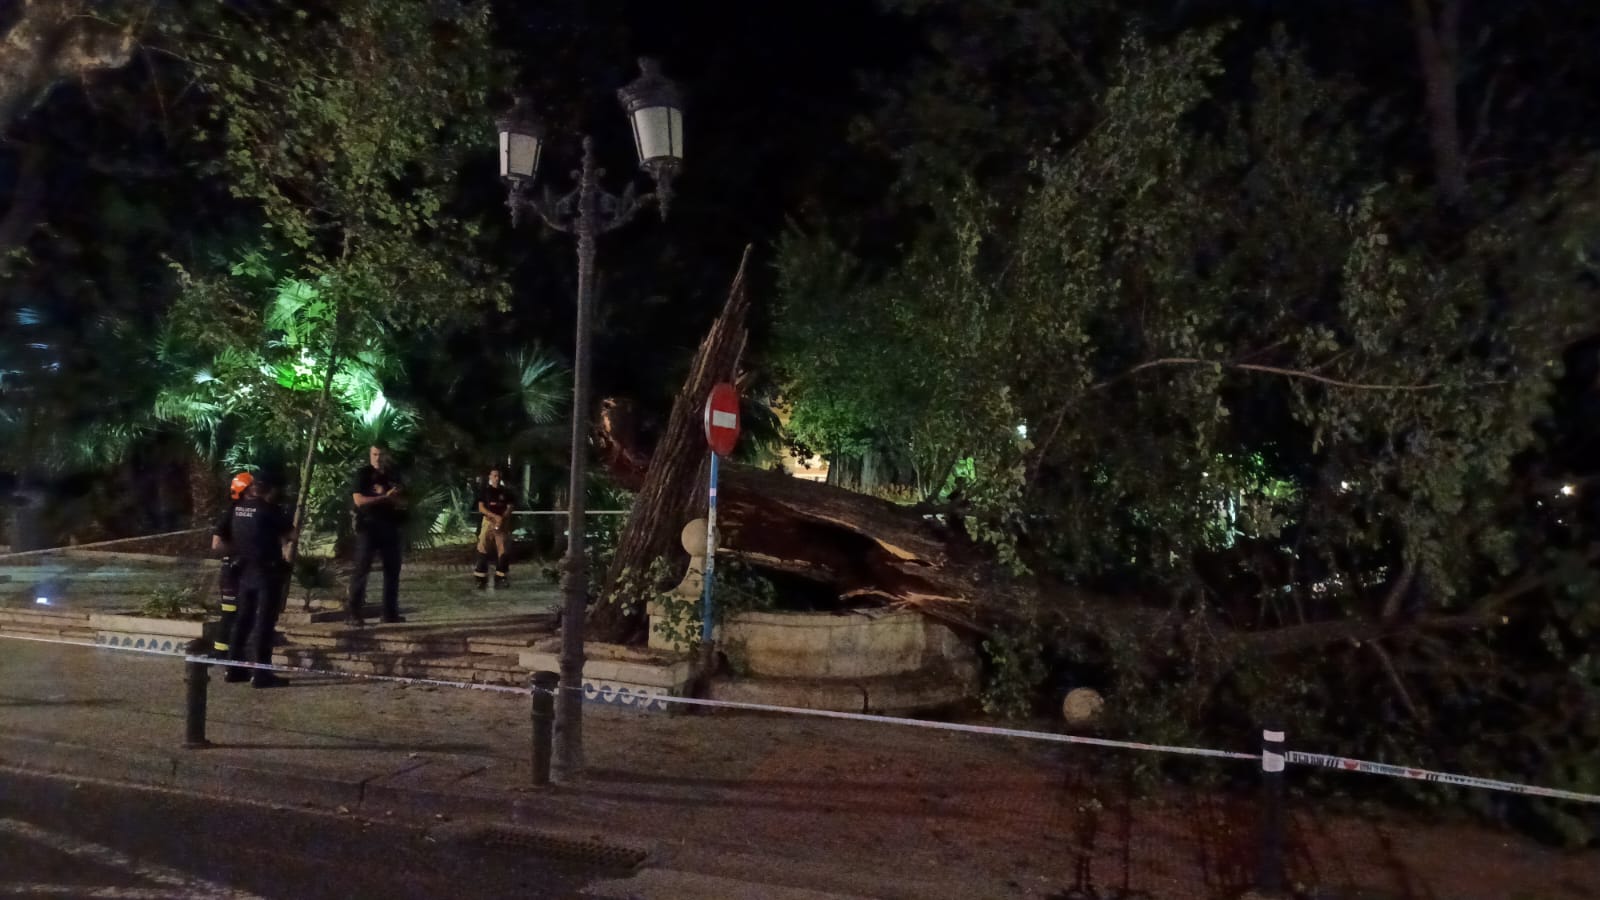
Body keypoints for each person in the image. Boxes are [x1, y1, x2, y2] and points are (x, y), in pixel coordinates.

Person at [222, 474, 294, 688]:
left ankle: (233, 669)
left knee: (243, 620)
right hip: (266, 573)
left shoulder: (236, 509)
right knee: (264, 623)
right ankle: (261, 673)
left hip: (245, 571)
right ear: (267, 491)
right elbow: (292, 534)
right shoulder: (269, 510)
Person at [346, 444, 407, 624]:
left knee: (392, 570)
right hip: (368, 527)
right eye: (374, 454)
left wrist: (394, 498)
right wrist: (384, 498)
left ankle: (389, 613)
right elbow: (358, 500)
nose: (377, 458)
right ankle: (353, 613)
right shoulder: (363, 474)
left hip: (390, 526)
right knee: (361, 569)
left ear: (387, 455)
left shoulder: (393, 475)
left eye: (380, 454)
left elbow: (404, 500)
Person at [208, 472, 252, 661]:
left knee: (235, 612)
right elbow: (216, 545)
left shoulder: (237, 511)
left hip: (239, 569)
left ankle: (225, 651)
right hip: (234, 569)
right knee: (232, 612)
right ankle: (225, 651)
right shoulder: (232, 513)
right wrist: (243, 547)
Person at [473, 466, 518, 590]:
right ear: (490, 477)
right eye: (494, 476)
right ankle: (480, 578)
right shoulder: (485, 491)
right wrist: (493, 516)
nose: (497, 478)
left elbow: (510, 507)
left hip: (502, 523)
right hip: (488, 522)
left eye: (498, 476)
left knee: (503, 549)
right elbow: (481, 507)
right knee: (483, 547)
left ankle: (501, 577)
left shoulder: (506, 492)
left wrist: (502, 518)